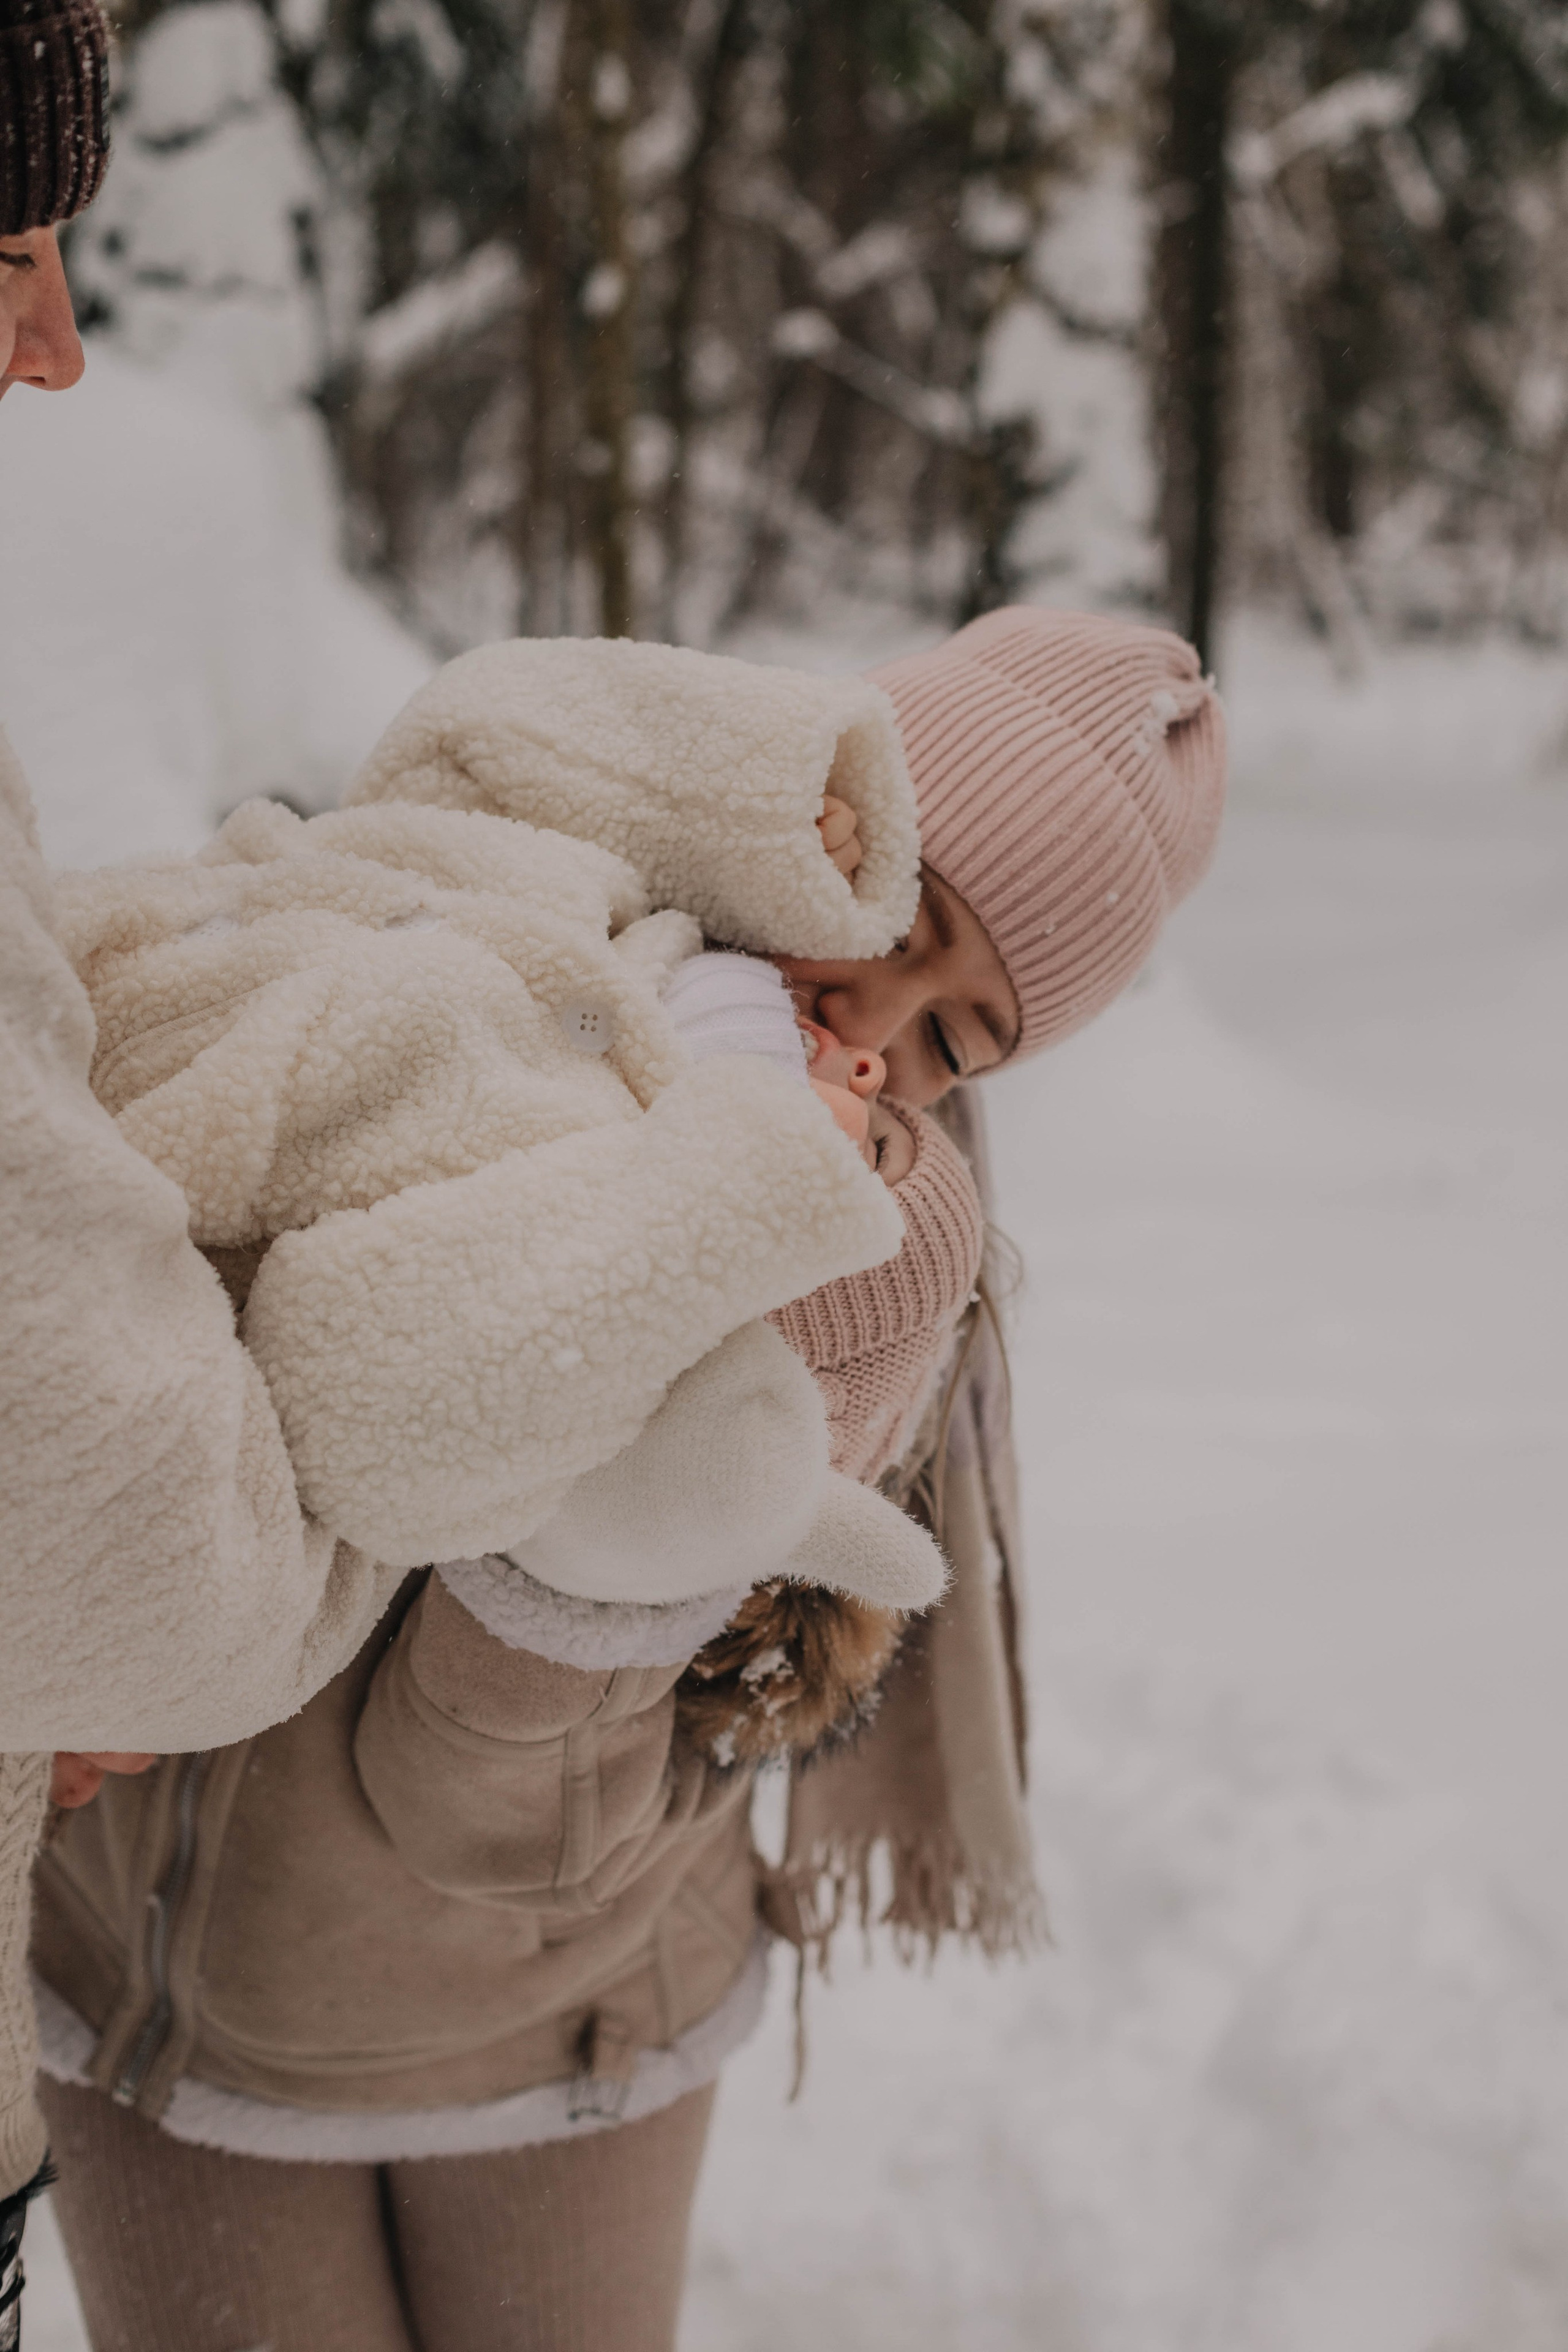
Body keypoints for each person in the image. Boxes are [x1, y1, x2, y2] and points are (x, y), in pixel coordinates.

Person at [34, 606, 1226, 2352]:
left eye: (958, 1039)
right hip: (140, 1996)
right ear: (818, 823)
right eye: (895, 920)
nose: (876, 1023)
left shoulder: (865, 1269)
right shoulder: (445, 932)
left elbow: (507, 1820)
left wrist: (658, 1430)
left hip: (563, 2044)